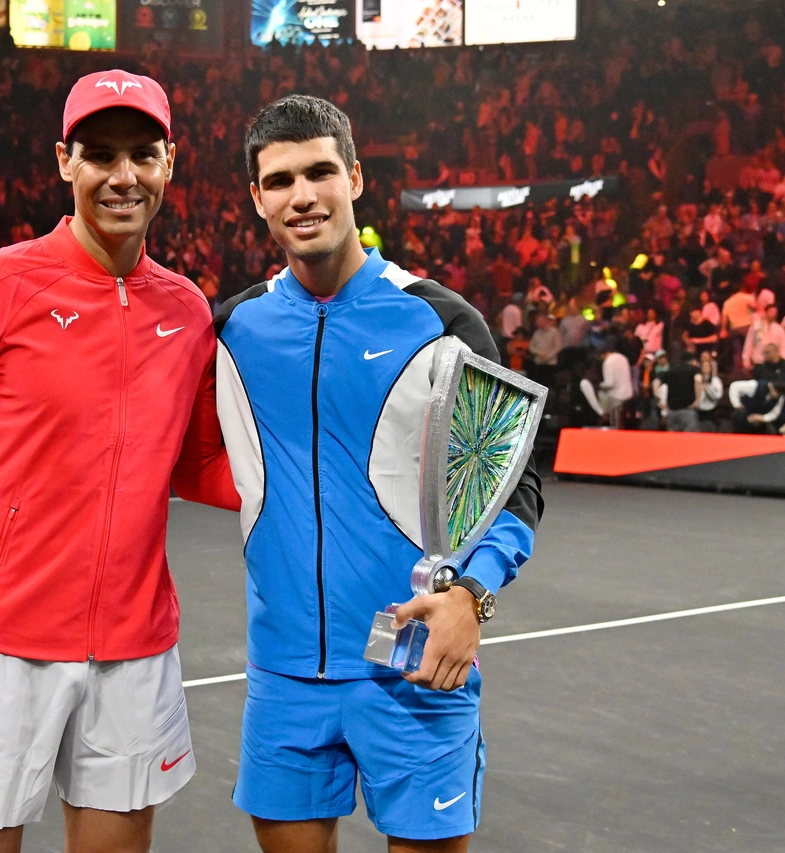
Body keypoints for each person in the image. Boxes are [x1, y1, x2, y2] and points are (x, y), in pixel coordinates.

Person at [0, 69, 234, 853]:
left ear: (170, 163)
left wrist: (333, 480)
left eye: (143, 153)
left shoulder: (187, 309)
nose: (123, 175)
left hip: (135, 652)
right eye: (100, 154)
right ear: (64, 161)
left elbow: (200, 464)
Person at [210, 94, 542, 853]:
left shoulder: (441, 320)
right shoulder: (234, 327)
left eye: (321, 171)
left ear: (354, 177)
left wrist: (472, 595)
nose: (305, 195)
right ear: (257, 197)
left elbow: (512, 485)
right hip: (285, 674)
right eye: (282, 178)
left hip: (412, 664)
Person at [598, 345, 634, 428]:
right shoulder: (623, 358)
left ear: (604, 354)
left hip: (616, 397)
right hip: (628, 394)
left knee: (616, 424)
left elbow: (609, 383)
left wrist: (599, 386)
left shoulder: (608, 362)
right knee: (626, 422)